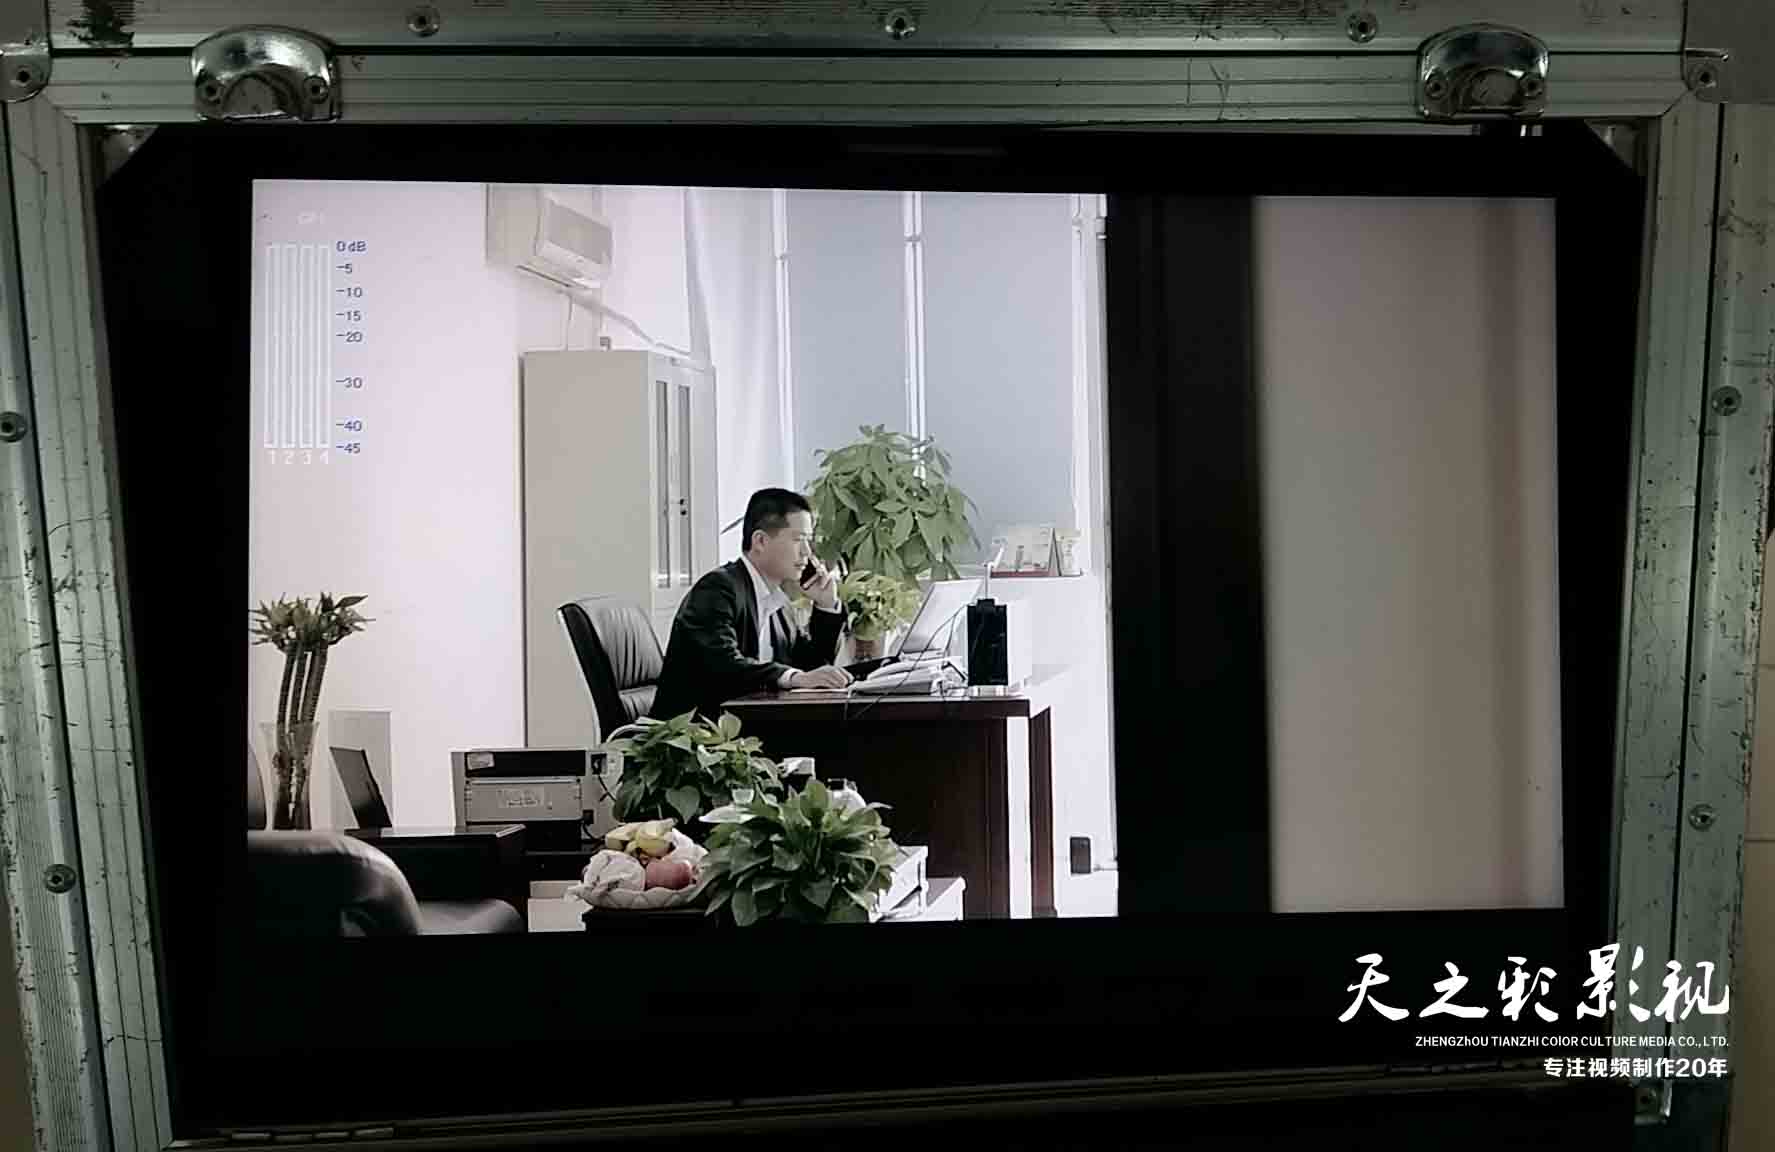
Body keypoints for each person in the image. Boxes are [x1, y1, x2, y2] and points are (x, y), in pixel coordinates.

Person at [649, 488, 854, 723]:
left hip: (750, 731)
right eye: (798, 540)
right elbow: (723, 666)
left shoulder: (779, 605)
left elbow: (809, 670)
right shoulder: (717, 590)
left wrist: (826, 606)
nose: (807, 552)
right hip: (695, 736)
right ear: (760, 541)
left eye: (808, 541)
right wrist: (793, 677)